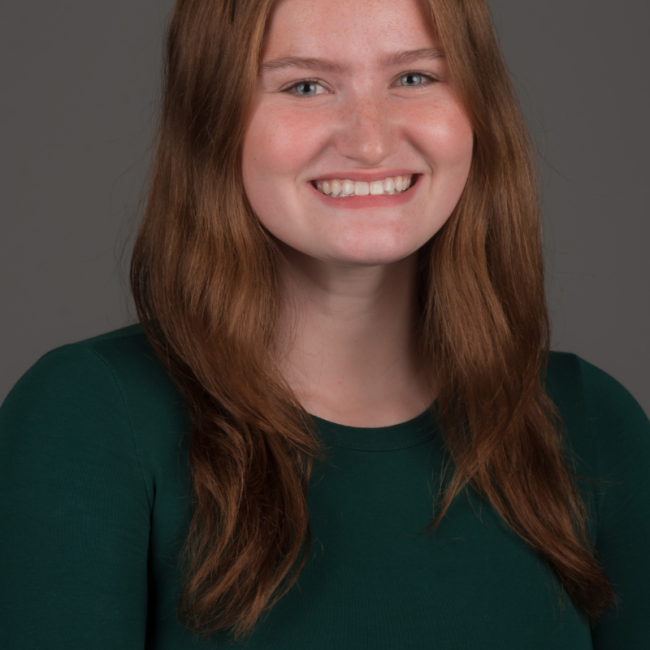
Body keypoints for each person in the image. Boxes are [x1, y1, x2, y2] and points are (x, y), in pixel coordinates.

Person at [1, 0, 648, 647]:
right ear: (212, 118)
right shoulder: (89, 421)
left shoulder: (591, 424)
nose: (369, 140)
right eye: (306, 85)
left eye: (414, 78)